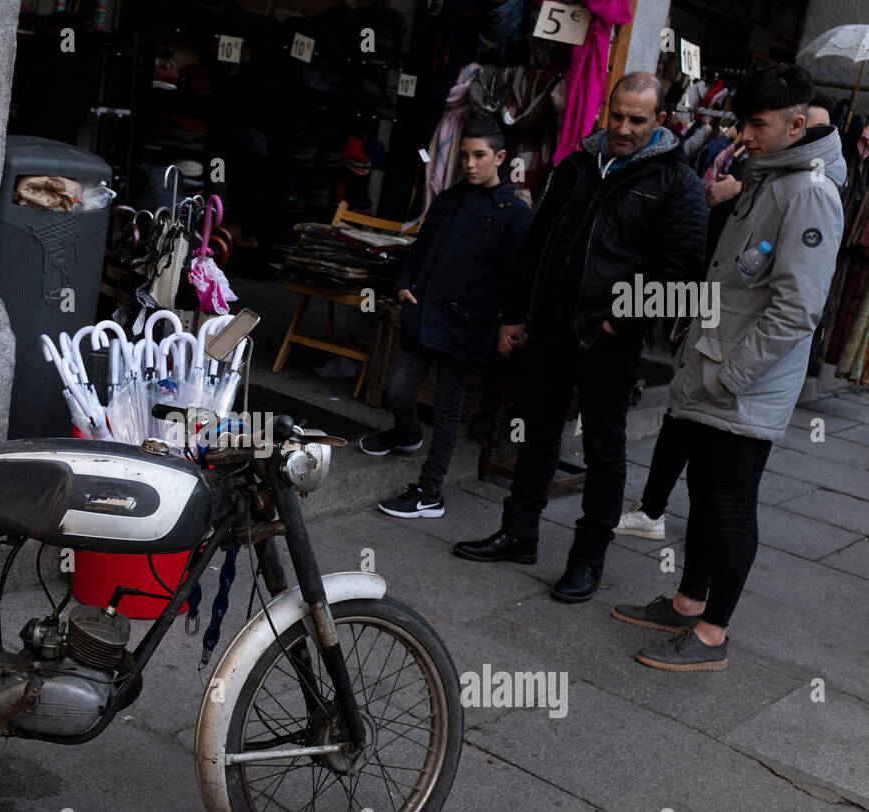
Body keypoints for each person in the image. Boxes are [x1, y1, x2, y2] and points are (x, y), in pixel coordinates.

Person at [613, 65, 845, 671]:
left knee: (732, 502)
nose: (743, 134)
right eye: (740, 122)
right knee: (705, 492)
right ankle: (689, 601)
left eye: (757, 124)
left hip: (745, 384)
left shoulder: (811, 191)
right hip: (719, 370)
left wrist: (732, 374)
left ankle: (713, 634)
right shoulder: (769, 175)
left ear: (797, 124)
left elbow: (798, 308)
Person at [451, 72, 708, 602]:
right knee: (536, 433)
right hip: (550, 329)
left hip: (609, 341)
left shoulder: (675, 182)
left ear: (660, 121)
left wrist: (619, 322)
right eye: (617, 115)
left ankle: (587, 559)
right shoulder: (575, 166)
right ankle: (519, 532)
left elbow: (682, 275)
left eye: (637, 119)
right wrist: (515, 314)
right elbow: (537, 244)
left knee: (604, 452)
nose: (624, 126)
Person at [361, 115, 532, 518]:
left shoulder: (514, 212)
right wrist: (404, 283)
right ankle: (406, 434)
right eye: (465, 156)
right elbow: (420, 248)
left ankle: (430, 491)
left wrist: (512, 321)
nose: (471, 164)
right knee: (399, 390)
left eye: (480, 156)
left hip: (470, 323)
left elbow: (518, 276)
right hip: (424, 311)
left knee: (448, 409)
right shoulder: (448, 198)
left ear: (500, 157)